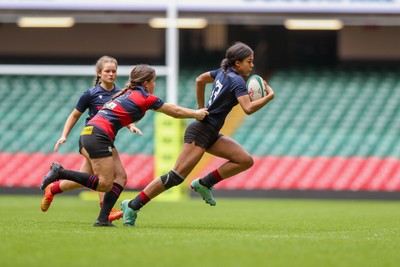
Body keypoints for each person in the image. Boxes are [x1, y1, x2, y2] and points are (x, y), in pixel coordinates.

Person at [120, 42, 275, 226]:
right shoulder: (237, 80)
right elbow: (248, 108)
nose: (252, 65)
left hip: (209, 131)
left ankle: (204, 183)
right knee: (175, 177)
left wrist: (201, 106)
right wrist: (268, 97)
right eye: (249, 61)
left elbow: (199, 80)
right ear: (237, 63)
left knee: (244, 160)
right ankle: (132, 205)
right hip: (201, 131)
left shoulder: (221, 72)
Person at [40, 64, 209, 227]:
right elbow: (174, 111)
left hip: (92, 133)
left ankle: (102, 219)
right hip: (98, 136)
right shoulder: (143, 97)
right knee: (104, 184)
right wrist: (196, 113)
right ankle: (60, 172)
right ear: (146, 83)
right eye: (153, 81)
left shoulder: (127, 93)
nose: (154, 84)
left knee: (120, 177)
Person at [40, 55, 140, 222]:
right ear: (99, 73)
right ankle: (105, 209)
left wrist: (131, 125)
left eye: (114, 71)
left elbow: (120, 117)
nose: (111, 74)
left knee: (84, 178)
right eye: (107, 71)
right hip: (92, 138)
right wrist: (64, 136)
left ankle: (53, 188)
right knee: (112, 175)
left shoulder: (121, 94)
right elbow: (74, 116)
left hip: (105, 140)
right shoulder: (91, 94)